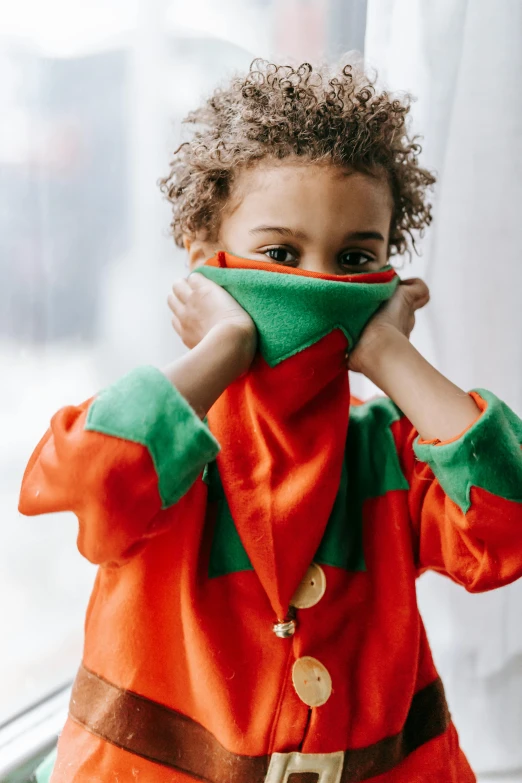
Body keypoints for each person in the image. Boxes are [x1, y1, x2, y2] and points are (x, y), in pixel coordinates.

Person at [22, 59, 522, 783]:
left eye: (355, 258)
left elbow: (505, 517)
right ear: (207, 262)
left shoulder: (391, 451)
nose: (319, 283)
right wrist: (223, 346)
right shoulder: (165, 442)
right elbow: (87, 488)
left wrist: (386, 352)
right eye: (280, 254)